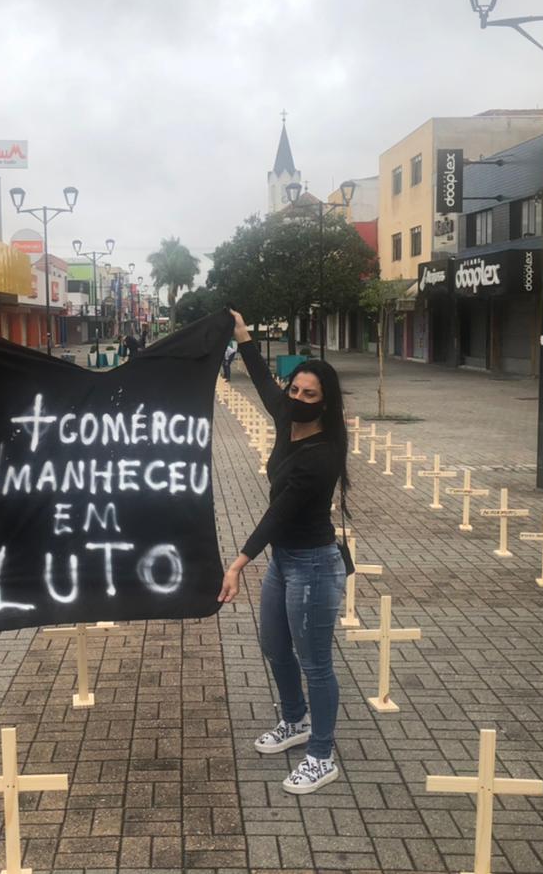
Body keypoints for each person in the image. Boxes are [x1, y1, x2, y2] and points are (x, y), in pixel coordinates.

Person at [218, 309, 349, 795]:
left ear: (325, 403)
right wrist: (242, 335)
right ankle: (295, 720)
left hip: (313, 565)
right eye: (295, 390)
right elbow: (260, 380)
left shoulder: (323, 455)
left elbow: (279, 514)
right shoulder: (287, 418)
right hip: (285, 560)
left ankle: (322, 754)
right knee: (275, 645)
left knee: (316, 664)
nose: (297, 399)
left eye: (309, 395)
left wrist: (237, 563)